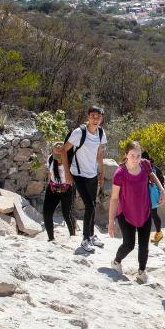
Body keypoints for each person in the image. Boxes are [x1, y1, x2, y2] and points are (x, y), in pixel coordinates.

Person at [108, 141, 165, 283]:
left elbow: (152, 175)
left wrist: (162, 190)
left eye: (138, 155)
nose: (135, 158)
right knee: (129, 244)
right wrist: (111, 222)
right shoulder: (120, 173)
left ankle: (141, 271)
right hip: (126, 213)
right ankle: (116, 262)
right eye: (132, 155)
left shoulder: (145, 164)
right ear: (126, 155)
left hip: (144, 211)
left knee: (144, 245)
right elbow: (114, 198)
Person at [62, 105, 107, 253]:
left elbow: (99, 154)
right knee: (90, 205)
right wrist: (68, 174)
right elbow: (64, 150)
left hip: (92, 173)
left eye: (98, 117)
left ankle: (92, 235)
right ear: (88, 117)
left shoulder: (100, 133)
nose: (95, 119)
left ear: (101, 119)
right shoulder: (78, 132)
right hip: (78, 174)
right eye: (93, 116)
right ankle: (85, 239)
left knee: (92, 203)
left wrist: (101, 172)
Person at [42, 141, 76, 242]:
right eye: (55, 153)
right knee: (46, 213)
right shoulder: (51, 159)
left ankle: (73, 236)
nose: (57, 157)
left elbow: (72, 178)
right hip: (53, 188)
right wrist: (48, 185)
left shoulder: (71, 163)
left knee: (67, 214)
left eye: (59, 154)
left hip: (67, 189)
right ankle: (51, 238)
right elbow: (50, 173)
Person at [142, 150, 165, 244]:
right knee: (153, 214)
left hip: (148, 194)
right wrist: (162, 192)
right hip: (151, 195)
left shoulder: (146, 168)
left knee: (151, 214)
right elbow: (163, 180)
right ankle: (158, 232)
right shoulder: (155, 168)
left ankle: (158, 232)